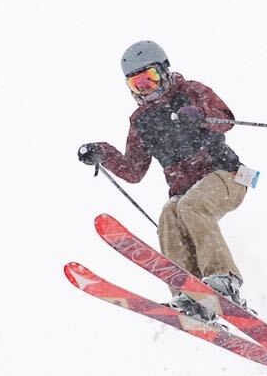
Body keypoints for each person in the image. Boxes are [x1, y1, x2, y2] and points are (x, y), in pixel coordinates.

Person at [79, 39, 253, 314]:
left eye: (150, 79)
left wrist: (198, 115)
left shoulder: (191, 92)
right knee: (169, 217)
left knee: (190, 206)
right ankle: (192, 298)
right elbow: (134, 170)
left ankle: (225, 281)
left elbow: (226, 119)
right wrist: (103, 153)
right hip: (184, 189)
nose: (145, 90)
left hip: (228, 175)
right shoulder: (142, 121)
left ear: (165, 71)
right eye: (137, 85)